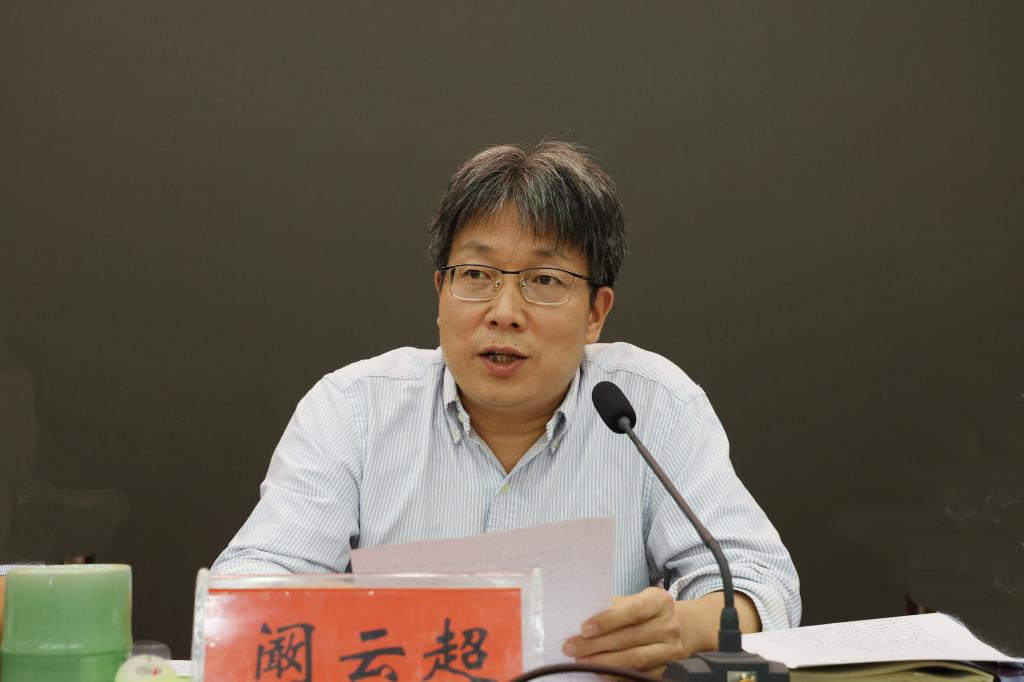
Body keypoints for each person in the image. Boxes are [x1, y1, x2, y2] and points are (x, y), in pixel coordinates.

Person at [213, 141, 801, 674]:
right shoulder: (352, 410)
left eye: (544, 280)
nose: (504, 312)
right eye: (477, 274)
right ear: (441, 293)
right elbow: (246, 592)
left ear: (595, 313)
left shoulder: (651, 405)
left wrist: (684, 627)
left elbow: (762, 585)